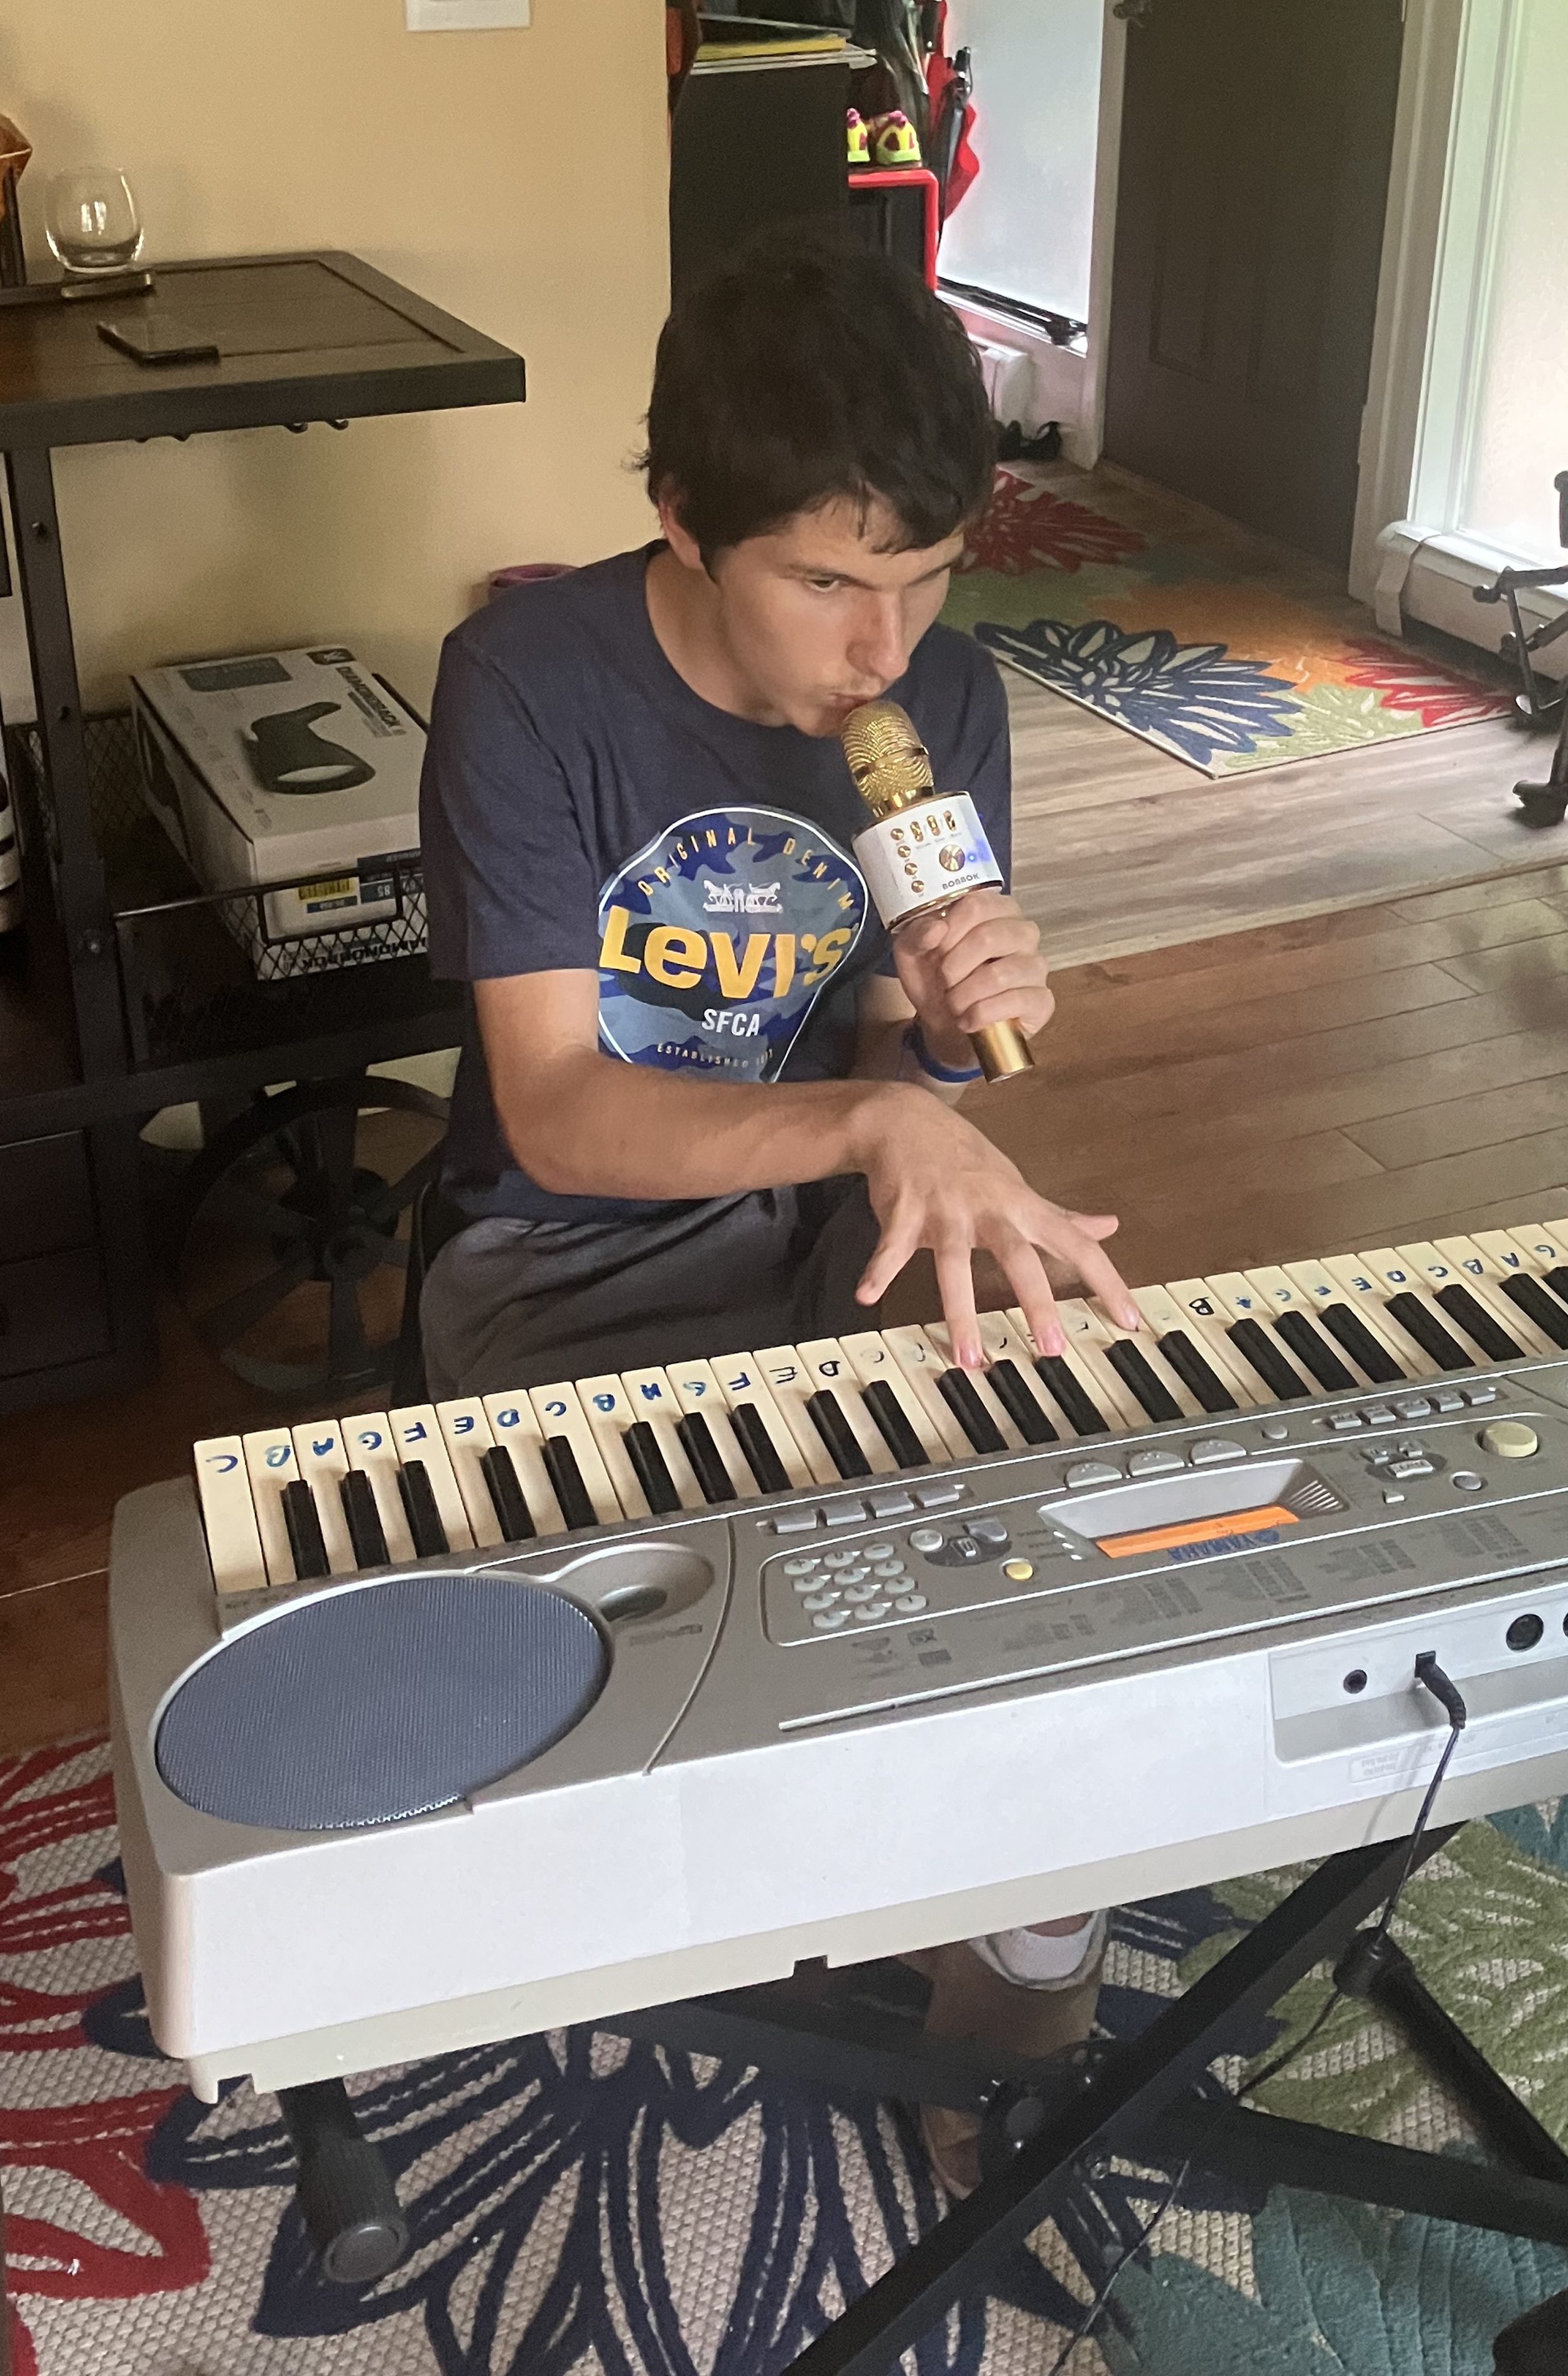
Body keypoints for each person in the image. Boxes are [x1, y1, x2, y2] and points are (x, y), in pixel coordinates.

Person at [414, 217, 1149, 2192]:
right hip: (558, 1248)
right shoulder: (526, 685)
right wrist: (867, 1123)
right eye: (827, 582)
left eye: (921, 579)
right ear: (679, 516)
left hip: (835, 1215)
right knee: (669, 1642)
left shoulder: (950, 702)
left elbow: (896, 1088)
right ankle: (726, 1911)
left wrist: (942, 1033)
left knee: (1041, 1484)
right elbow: (558, 1115)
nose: (881, 651)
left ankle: (1012, 1981)